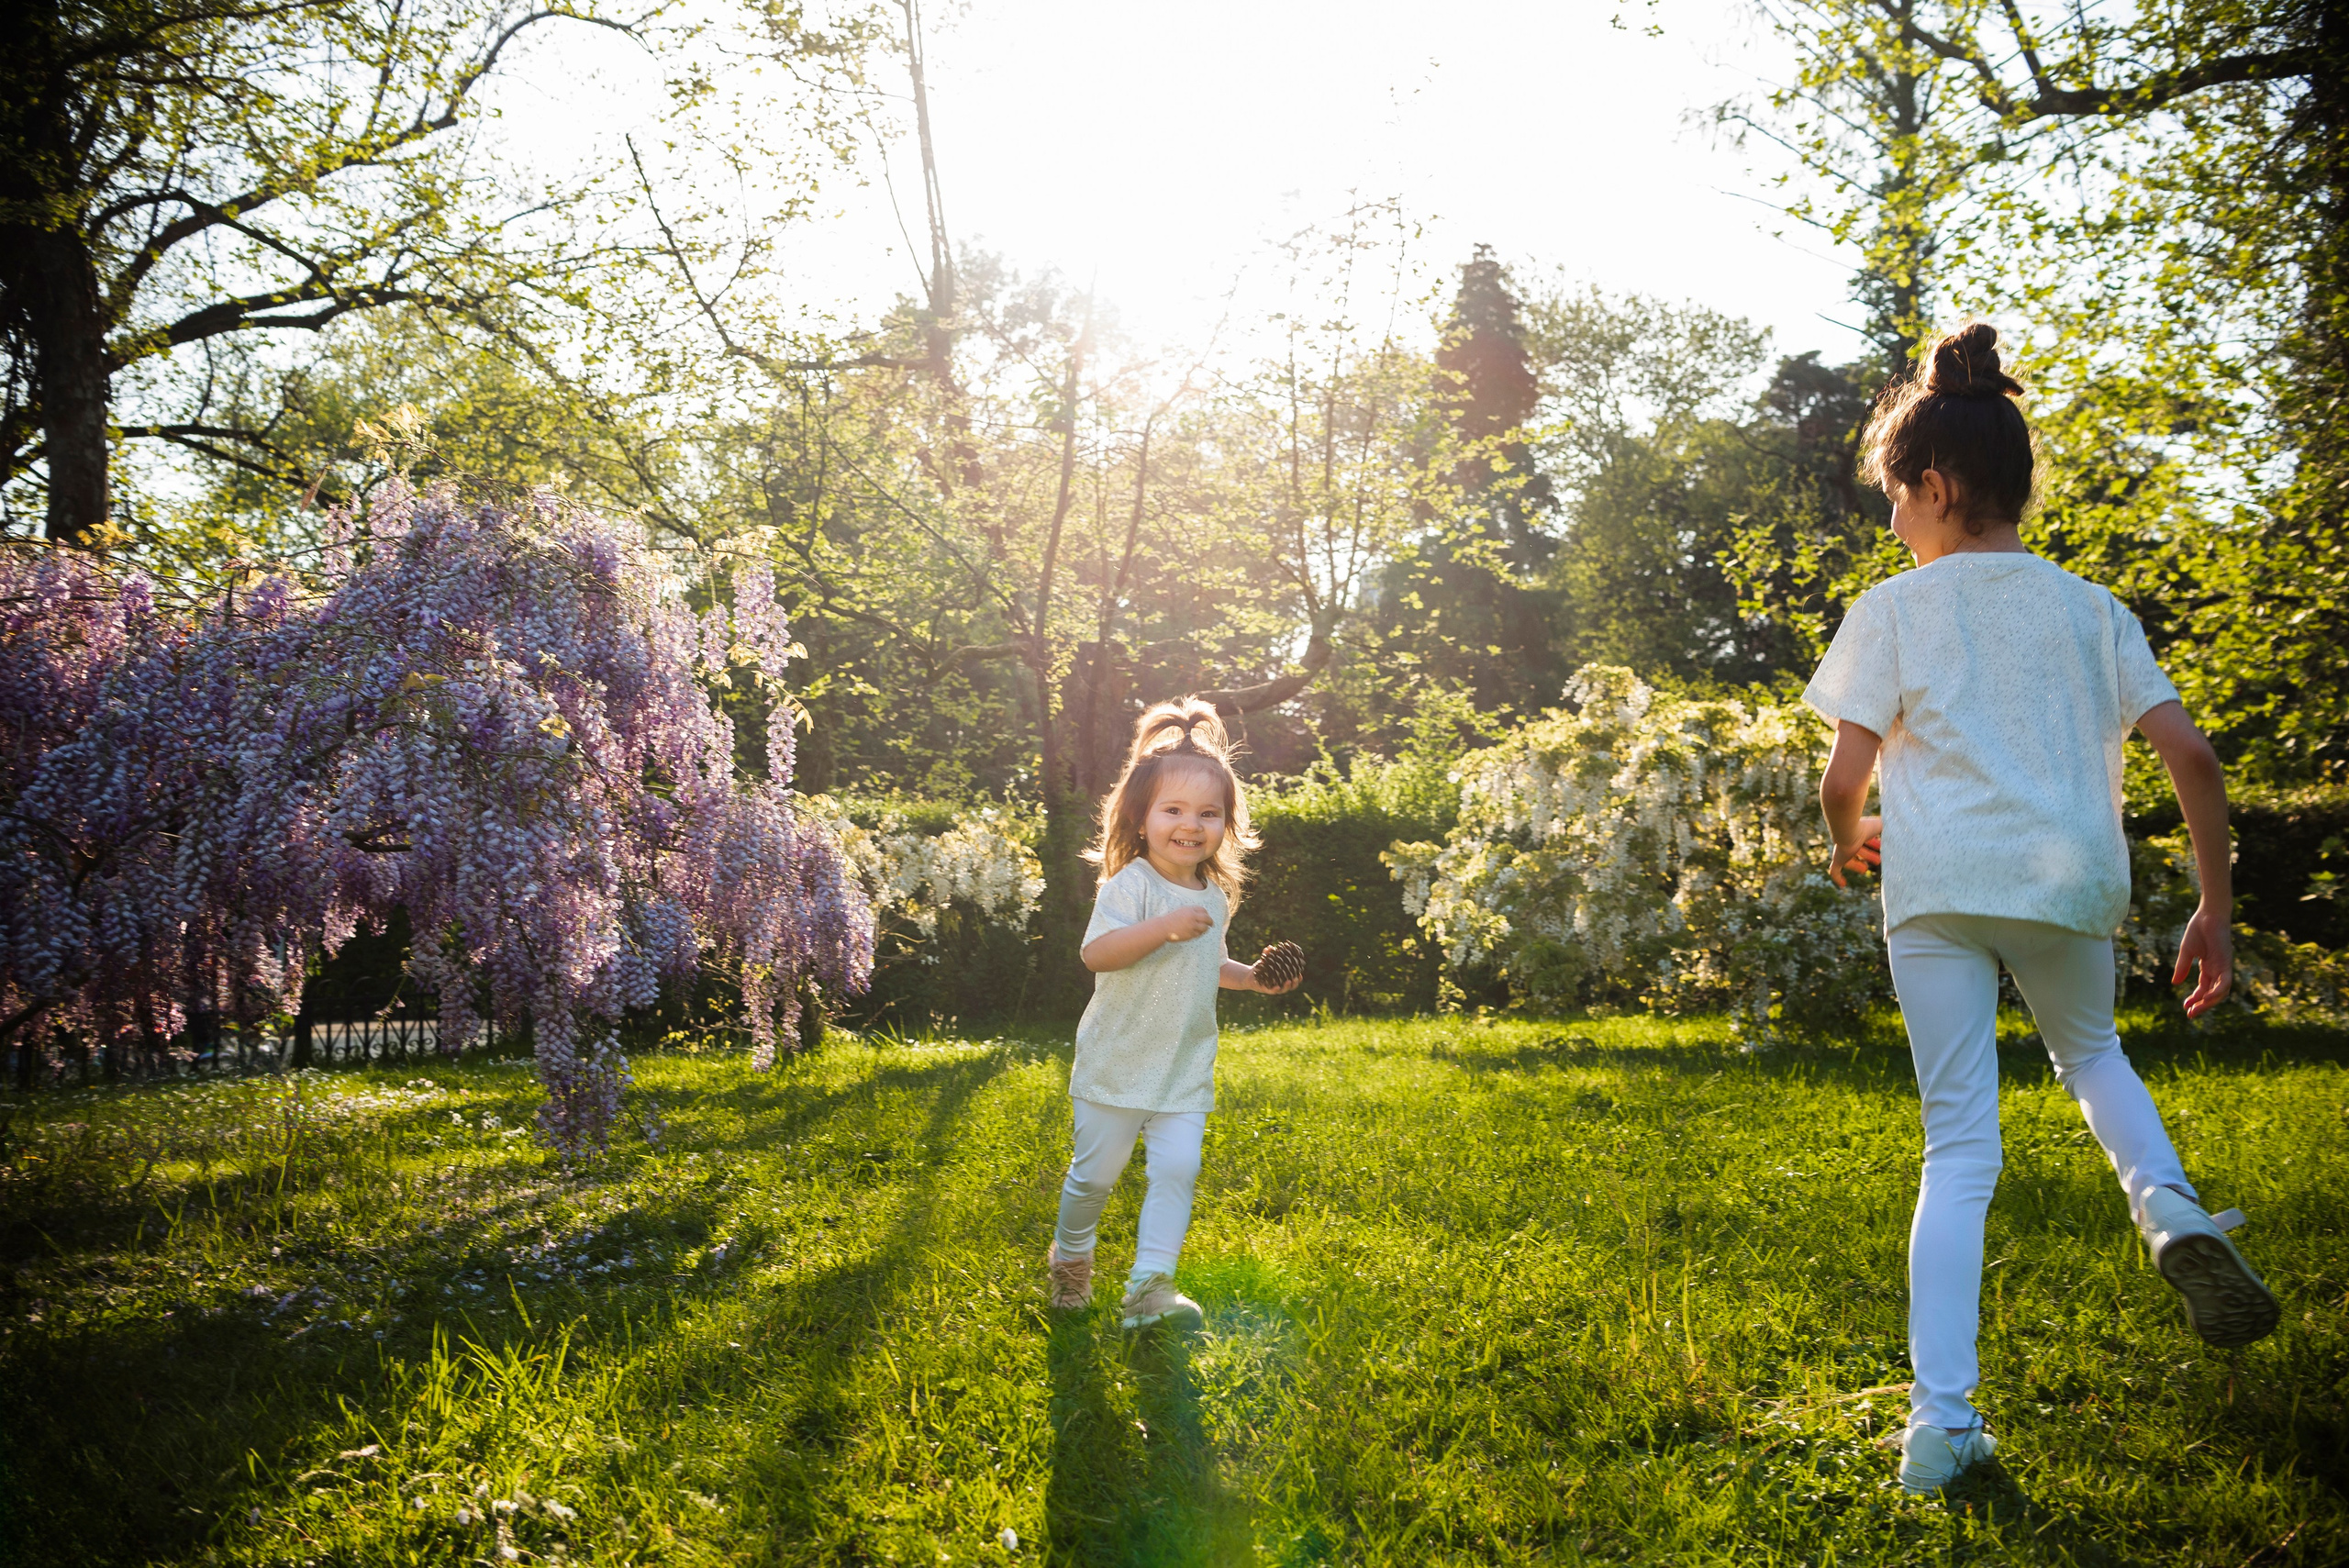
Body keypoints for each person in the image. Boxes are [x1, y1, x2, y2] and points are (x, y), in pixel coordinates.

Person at [1804, 322, 2280, 1496]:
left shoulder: (1896, 609)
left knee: (1959, 1144)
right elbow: (2194, 757)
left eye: (1894, 501)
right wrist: (2214, 905)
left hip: (1938, 886)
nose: (1892, 525)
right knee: (2091, 1052)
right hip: (2064, 881)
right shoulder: (2091, 609)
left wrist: (1847, 836)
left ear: (1934, 485)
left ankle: (1943, 1425)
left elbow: (1839, 777)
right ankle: (2166, 1205)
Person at [1044, 699, 1301, 1329]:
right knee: (1094, 1178)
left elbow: (1210, 964)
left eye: (1208, 813)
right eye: (1174, 810)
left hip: (1183, 1067)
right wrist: (1161, 927)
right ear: (1142, 816)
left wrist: (1254, 979)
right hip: (1117, 1061)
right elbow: (1097, 953)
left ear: (1226, 823)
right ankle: (1071, 1259)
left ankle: (1149, 1289)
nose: (1191, 824)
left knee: (1178, 1169)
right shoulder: (1130, 885)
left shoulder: (1212, 895)